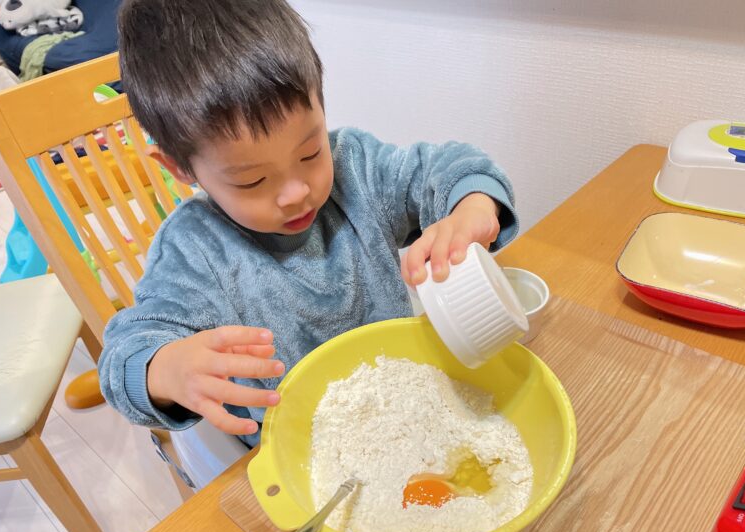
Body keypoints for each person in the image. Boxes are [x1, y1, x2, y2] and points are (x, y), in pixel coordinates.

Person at [98, 0, 520, 447]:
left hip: (403, 408)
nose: (296, 191)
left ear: (321, 102)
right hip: (291, 447)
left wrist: (472, 205)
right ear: (181, 169)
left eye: (309, 152)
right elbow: (125, 353)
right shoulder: (194, 251)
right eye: (253, 179)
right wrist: (164, 369)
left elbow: (446, 166)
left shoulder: (356, 168)